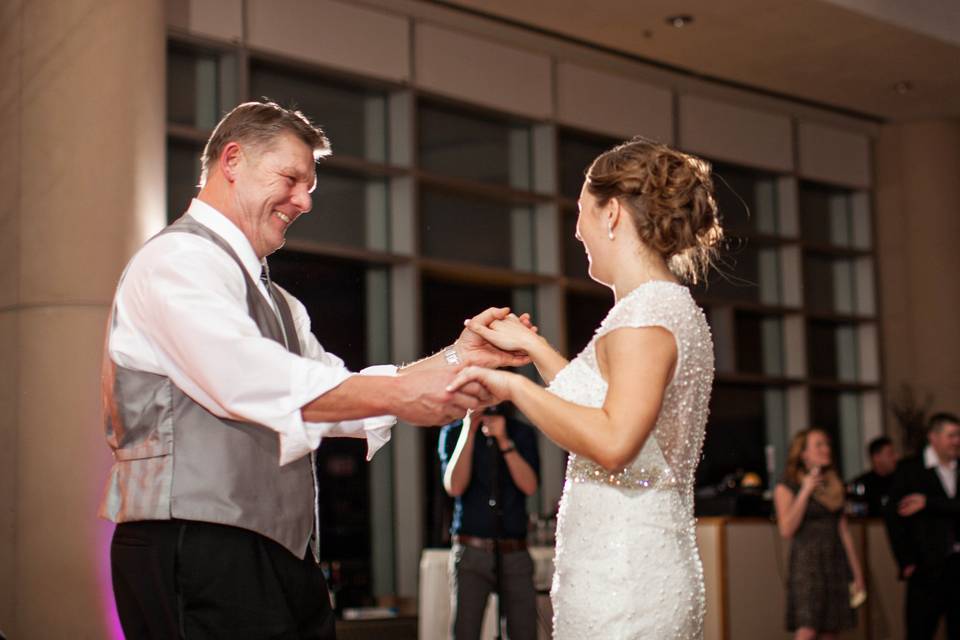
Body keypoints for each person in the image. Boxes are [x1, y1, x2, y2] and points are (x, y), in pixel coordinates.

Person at [99, 100, 525, 639]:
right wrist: (402, 395)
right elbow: (249, 381)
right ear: (232, 160)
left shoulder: (279, 301)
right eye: (291, 178)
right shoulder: (177, 261)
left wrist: (460, 357)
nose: (303, 201)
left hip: (277, 553)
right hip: (192, 543)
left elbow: (338, 389)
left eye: (310, 187)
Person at [446, 137, 721, 638]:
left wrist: (511, 389)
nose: (576, 231)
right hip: (638, 562)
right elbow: (607, 405)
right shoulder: (664, 309)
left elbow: (614, 442)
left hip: (624, 582)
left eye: (581, 212)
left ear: (612, 212)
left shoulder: (643, 320)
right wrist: (536, 351)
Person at [439, 404, 540, 640]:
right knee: (465, 632)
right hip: (471, 551)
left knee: (524, 632)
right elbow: (454, 486)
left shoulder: (521, 432)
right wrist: (469, 431)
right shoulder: (453, 432)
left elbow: (530, 486)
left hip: (514, 550)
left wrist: (504, 441)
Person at [774, 428, 864, 640]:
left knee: (831, 630)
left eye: (827, 444)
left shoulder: (834, 484)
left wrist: (857, 574)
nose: (826, 449)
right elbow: (786, 529)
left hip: (835, 560)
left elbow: (843, 531)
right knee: (808, 628)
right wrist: (805, 491)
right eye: (819, 445)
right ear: (803, 453)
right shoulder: (789, 485)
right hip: (808, 564)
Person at [885, 412, 960, 640]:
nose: (957, 441)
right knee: (920, 630)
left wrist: (928, 503)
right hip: (926, 567)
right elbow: (893, 517)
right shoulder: (910, 470)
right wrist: (906, 559)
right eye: (952, 435)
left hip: (959, 565)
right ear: (933, 438)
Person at [848, 436, 898, 517]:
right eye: (890, 454)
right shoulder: (863, 483)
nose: (896, 457)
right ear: (876, 457)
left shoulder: (901, 479)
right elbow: (851, 509)